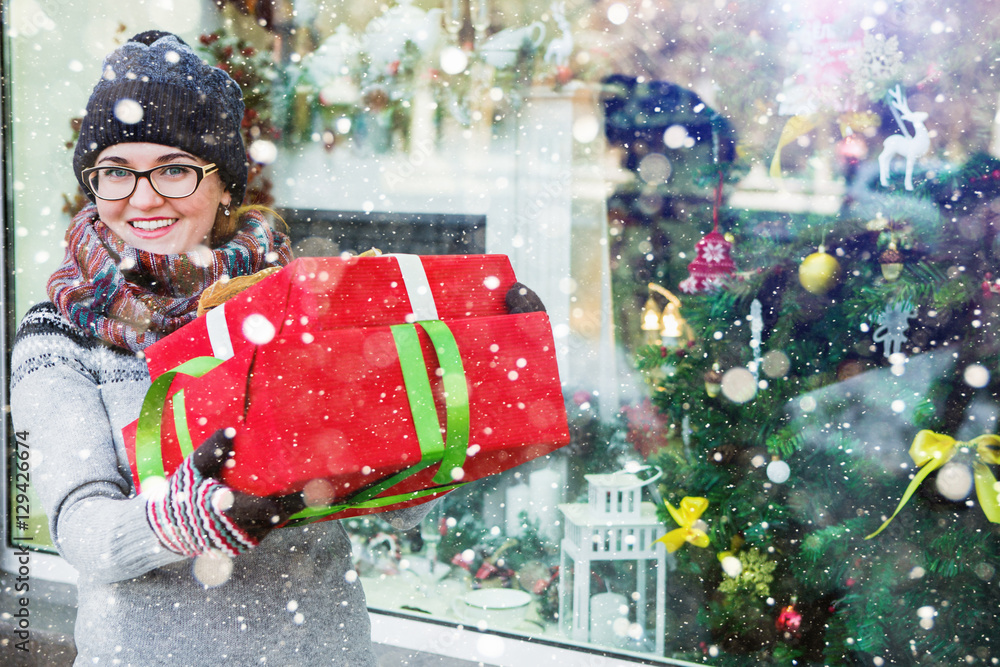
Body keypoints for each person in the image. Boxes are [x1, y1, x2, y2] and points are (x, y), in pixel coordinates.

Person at [10, 30, 544, 665]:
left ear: (227, 186)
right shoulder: (62, 332)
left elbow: (395, 503)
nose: (143, 197)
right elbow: (82, 532)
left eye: (175, 169)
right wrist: (191, 519)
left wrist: (463, 390)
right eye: (116, 172)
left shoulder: (296, 306)